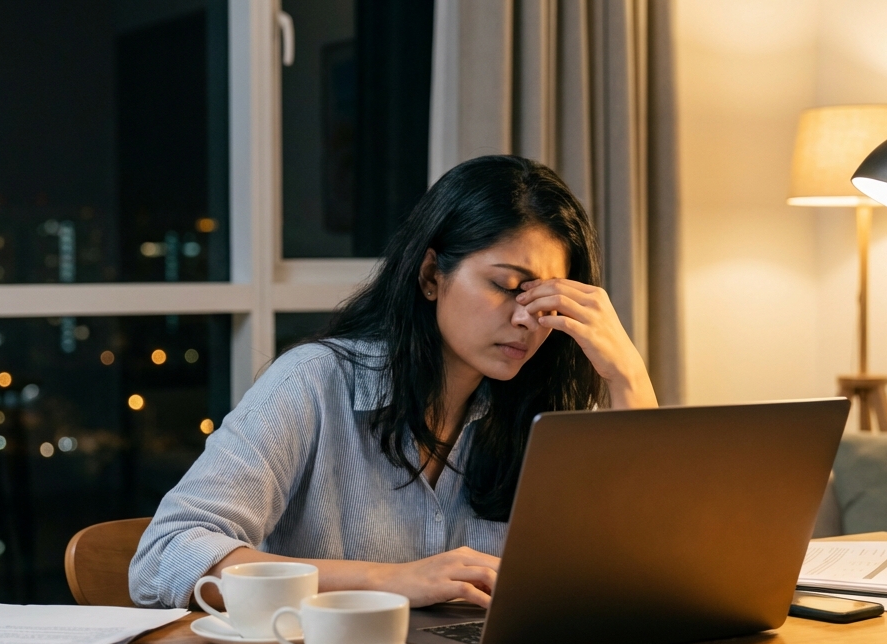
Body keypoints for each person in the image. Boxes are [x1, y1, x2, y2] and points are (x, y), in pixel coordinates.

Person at [128, 155, 658, 610]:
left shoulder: (542, 411)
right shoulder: (314, 382)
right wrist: (388, 582)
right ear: (431, 276)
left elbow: (641, 574)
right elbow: (164, 555)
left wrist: (628, 376)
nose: (527, 319)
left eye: (546, 299)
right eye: (506, 286)